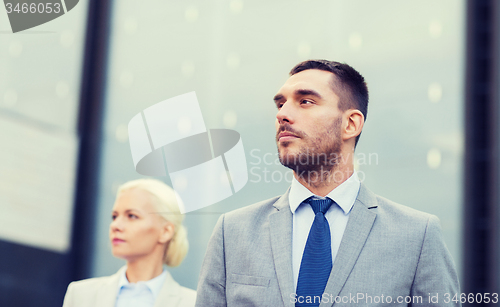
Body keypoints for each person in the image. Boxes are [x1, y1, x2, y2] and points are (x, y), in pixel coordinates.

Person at [195, 60, 460, 306]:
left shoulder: (417, 235)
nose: (282, 114)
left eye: (305, 101)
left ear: (350, 124)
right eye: (280, 104)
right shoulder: (232, 233)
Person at [63, 179, 196, 307]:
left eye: (132, 216)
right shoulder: (81, 295)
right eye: (114, 216)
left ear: (165, 231)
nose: (115, 225)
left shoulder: (194, 303)